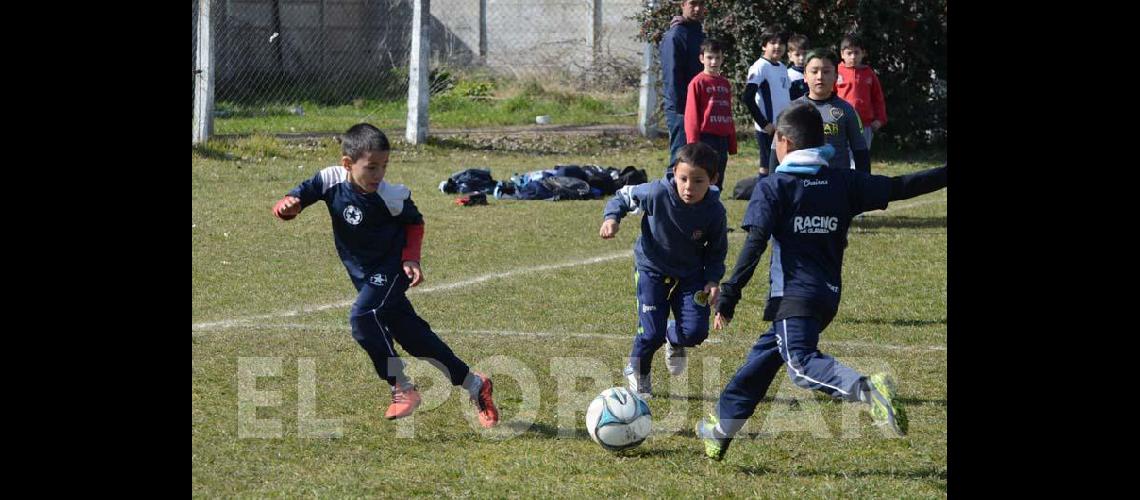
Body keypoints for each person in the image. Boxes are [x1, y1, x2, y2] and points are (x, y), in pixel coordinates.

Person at [694, 103, 947, 461]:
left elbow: (755, 241)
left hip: (792, 296)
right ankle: (720, 429)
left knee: (799, 364)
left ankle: (866, 390)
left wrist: (731, 291)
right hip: (826, 298)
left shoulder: (775, 186)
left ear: (781, 141)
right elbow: (901, 186)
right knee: (763, 360)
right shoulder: (842, 181)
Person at [272, 123, 499, 427]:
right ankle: (476, 384)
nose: (378, 175)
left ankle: (401, 387)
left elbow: (415, 223)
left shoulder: (390, 196)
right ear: (347, 164)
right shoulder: (329, 180)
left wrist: (412, 259)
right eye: (372, 167)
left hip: (392, 269)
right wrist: (288, 206)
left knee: (362, 318)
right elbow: (299, 198)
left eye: (384, 166)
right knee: (415, 339)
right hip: (365, 276)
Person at [599, 142, 728, 400]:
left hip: (691, 274)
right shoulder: (658, 192)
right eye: (683, 179)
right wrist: (611, 218)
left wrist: (713, 279)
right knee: (650, 333)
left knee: (695, 332)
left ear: (713, 180)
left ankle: (675, 337)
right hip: (652, 269)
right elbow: (623, 196)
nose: (689, 187)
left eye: (698, 181)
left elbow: (716, 248)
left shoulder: (715, 211)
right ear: (674, 173)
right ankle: (638, 371)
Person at [684, 38, 739, 190]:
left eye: (717, 57)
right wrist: (693, 144)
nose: (714, 61)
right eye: (709, 57)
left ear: (722, 58)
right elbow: (691, 116)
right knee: (704, 178)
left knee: (718, 179)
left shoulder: (725, 84)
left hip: (722, 140)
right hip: (705, 139)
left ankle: (714, 209)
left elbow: (728, 114)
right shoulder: (697, 83)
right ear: (702, 58)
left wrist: (732, 142)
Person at [660, 0, 707, 165]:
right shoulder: (675, 36)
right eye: (692, 4)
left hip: (701, 105)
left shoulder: (700, 34)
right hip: (682, 108)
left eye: (701, 4)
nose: (697, 9)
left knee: (698, 158)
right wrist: (683, 110)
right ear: (682, 5)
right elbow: (671, 77)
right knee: (681, 157)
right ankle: (672, 189)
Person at [835, 33, 887, 173]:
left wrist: (880, 119)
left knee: (861, 155)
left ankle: (861, 184)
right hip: (840, 123)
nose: (853, 57)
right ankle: (843, 183)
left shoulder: (869, 73)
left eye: (856, 53)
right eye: (849, 53)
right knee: (842, 156)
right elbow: (829, 97)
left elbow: (878, 98)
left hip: (864, 125)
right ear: (842, 54)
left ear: (863, 53)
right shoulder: (835, 72)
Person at [743, 28, 791, 178]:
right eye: (773, 43)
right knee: (766, 166)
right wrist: (764, 124)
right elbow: (747, 98)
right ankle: (763, 197)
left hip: (783, 126)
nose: (778, 46)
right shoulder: (760, 67)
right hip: (768, 129)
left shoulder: (783, 68)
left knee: (782, 163)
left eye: (781, 43)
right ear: (764, 46)